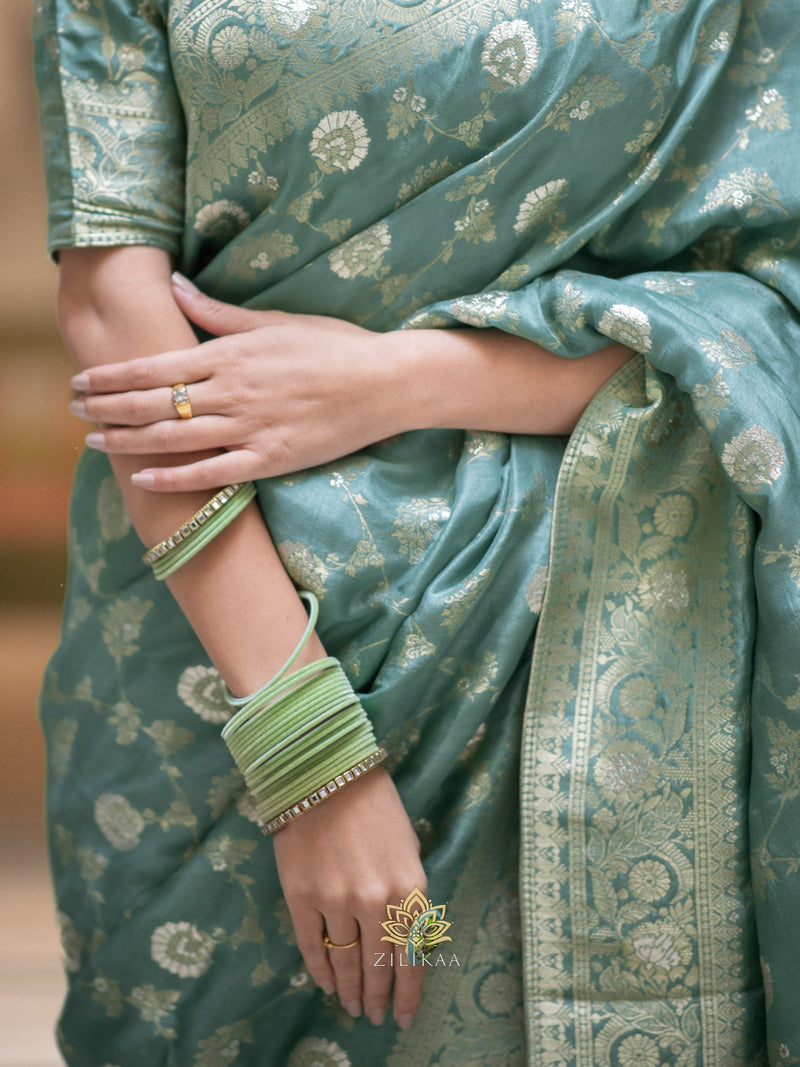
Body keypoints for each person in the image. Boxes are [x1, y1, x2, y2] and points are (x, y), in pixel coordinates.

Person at [33, 0, 800, 1063]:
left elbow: (776, 293)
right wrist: (308, 756)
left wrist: (397, 380)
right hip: (217, 655)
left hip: (600, 626)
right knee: (293, 1010)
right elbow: (117, 311)